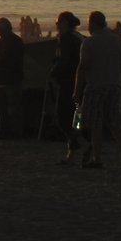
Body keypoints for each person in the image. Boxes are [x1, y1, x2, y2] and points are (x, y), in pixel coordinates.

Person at [74, 11, 121, 169]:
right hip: (114, 85)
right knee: (113, 121)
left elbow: (83, 67)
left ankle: (97, 158)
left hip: (96, 86)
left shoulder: (89, 42)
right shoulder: (117, 40)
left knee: (96, 123)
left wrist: (77, 90)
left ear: (93, 23)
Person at [51, 12, 85, 160]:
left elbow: (64, 60)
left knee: (63, 117)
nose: (57, 24)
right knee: (77, 114)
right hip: (80, 81)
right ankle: (72, 149)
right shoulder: (78, 37)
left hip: (69, 82)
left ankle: (76, 141)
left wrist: (53, 72)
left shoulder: (67, 38)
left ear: (65, 22)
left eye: (59, 21)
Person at [0, 18, 26, 138]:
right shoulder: (2, 42)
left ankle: (15, 132)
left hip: (13, 80)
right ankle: (4, 130)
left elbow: (11, 61)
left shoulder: (16, 42)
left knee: (13, 108)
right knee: (1, 108)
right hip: (2, 79)